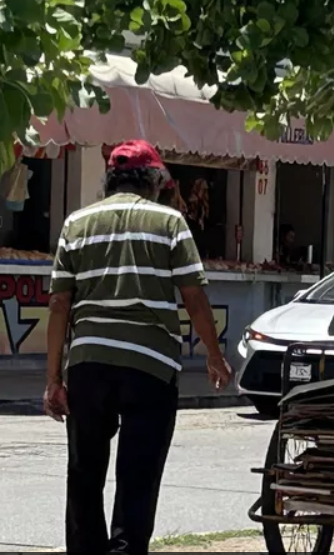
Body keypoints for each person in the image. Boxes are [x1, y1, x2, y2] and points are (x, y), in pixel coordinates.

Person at [43, 140, 232, 555]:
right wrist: (213, 355)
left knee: (84, 474)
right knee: (138, 475)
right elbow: (195, 298)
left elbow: (59, 303)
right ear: (153, 181)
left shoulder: (76, 224)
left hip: (89, 364)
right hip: (151, 367)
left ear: (109, 181)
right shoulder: (169, 223)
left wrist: (54, 379)